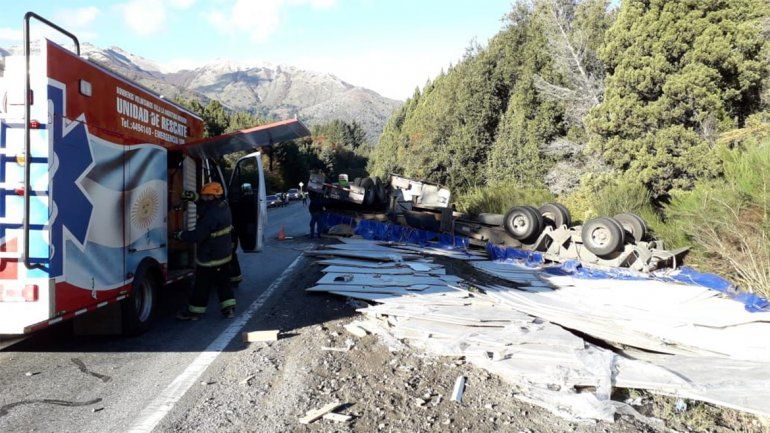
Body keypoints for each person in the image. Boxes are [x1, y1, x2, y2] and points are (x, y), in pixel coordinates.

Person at [175, 182, 237, 320]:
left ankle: (195, 312)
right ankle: (229, 310)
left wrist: (179, 235)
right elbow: (204, 205)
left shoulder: (211, 216)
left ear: (213, 196)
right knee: (224, 283)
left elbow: (197, 236)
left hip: (210, 257)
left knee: (202, 285)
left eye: (206, 196)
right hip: (224, 254)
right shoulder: (223, 205)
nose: (204, 198)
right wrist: (194, 197)